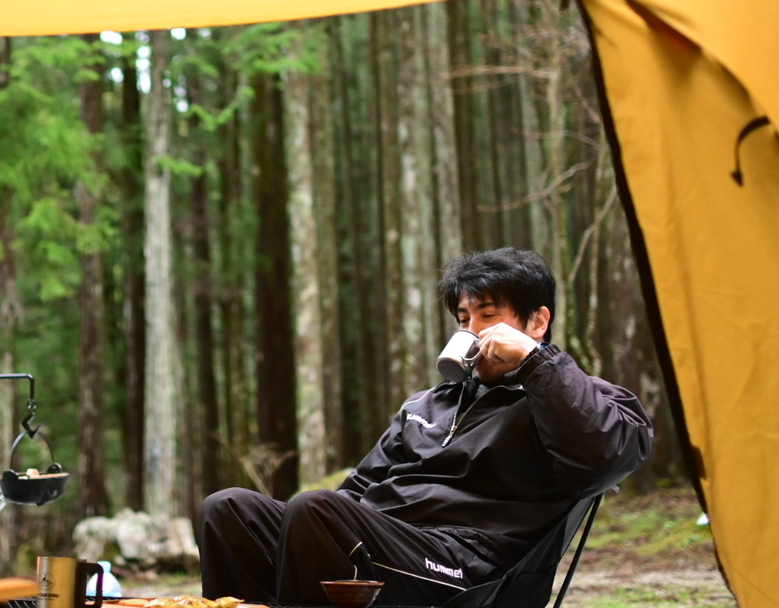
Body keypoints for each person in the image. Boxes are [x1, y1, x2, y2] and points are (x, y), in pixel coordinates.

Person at [198, 248, 653, 606]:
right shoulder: (427, 405)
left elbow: (605, 459)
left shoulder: (573, 396)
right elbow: (354, 494)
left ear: (537, 321)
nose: (473, 331)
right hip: (389, 545)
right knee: (230, 509)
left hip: (467, 569)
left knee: (316, 511)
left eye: (488, 316)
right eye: (463, 320)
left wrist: (537, 364)